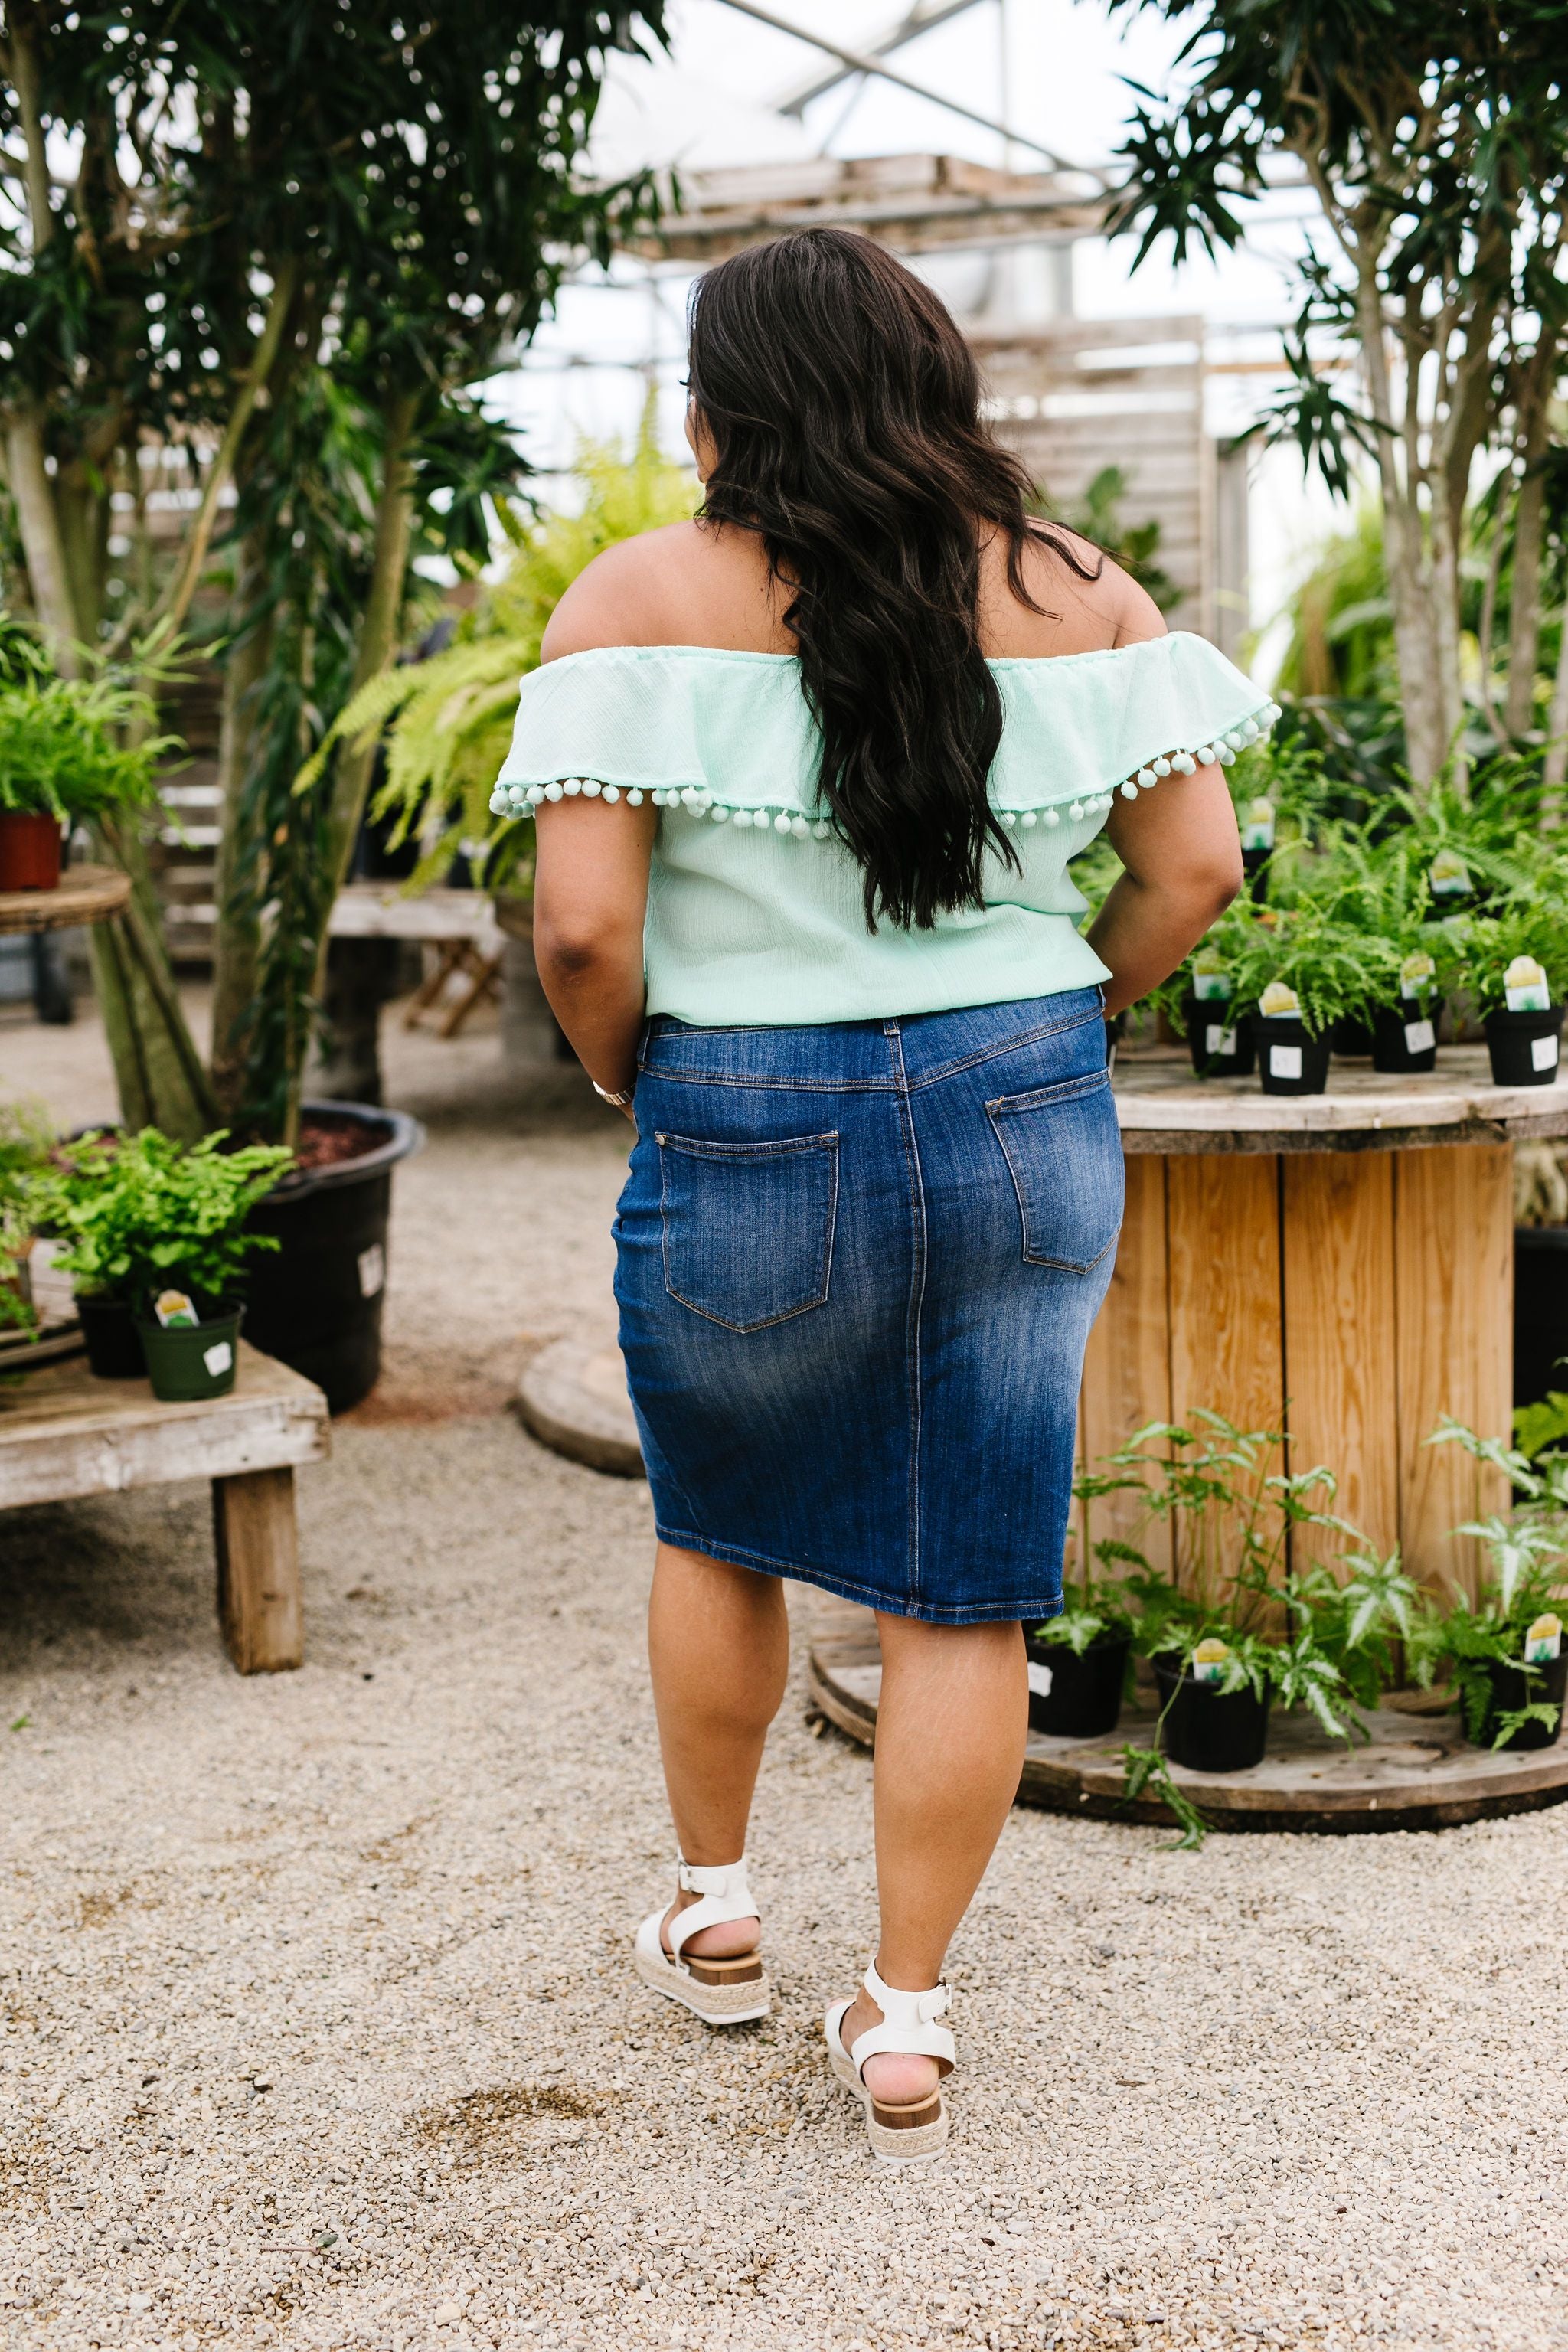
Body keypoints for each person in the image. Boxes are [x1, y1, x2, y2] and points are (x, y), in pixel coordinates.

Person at [497, 228, 1259, 2162]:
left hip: (740, 1099)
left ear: (719, 409)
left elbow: (584, 927)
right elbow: (1195, 873)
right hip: (1021, 1099)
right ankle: (905, 2017)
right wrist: (1066, 1008)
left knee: (720, 1523)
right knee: (966, 1581)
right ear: (934, 383)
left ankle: (721, 1909)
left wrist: (624, 1069)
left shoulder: (636, 595)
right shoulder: (1076, 590)